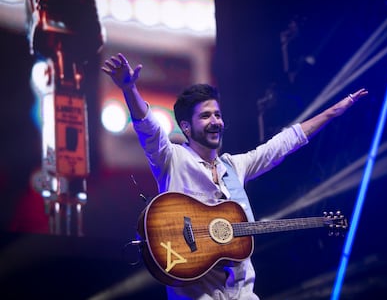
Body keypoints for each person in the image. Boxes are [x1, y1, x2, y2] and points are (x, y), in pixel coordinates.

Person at [102, 53, 368, 300]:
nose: (216, 121)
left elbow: (283, 144)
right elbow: (148, 129)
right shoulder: (172, 159)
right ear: (186, 127)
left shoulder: (234, 166)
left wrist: (333, 112)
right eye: (205, 116)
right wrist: (129, 88)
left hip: (242, 292)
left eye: (217, 114)